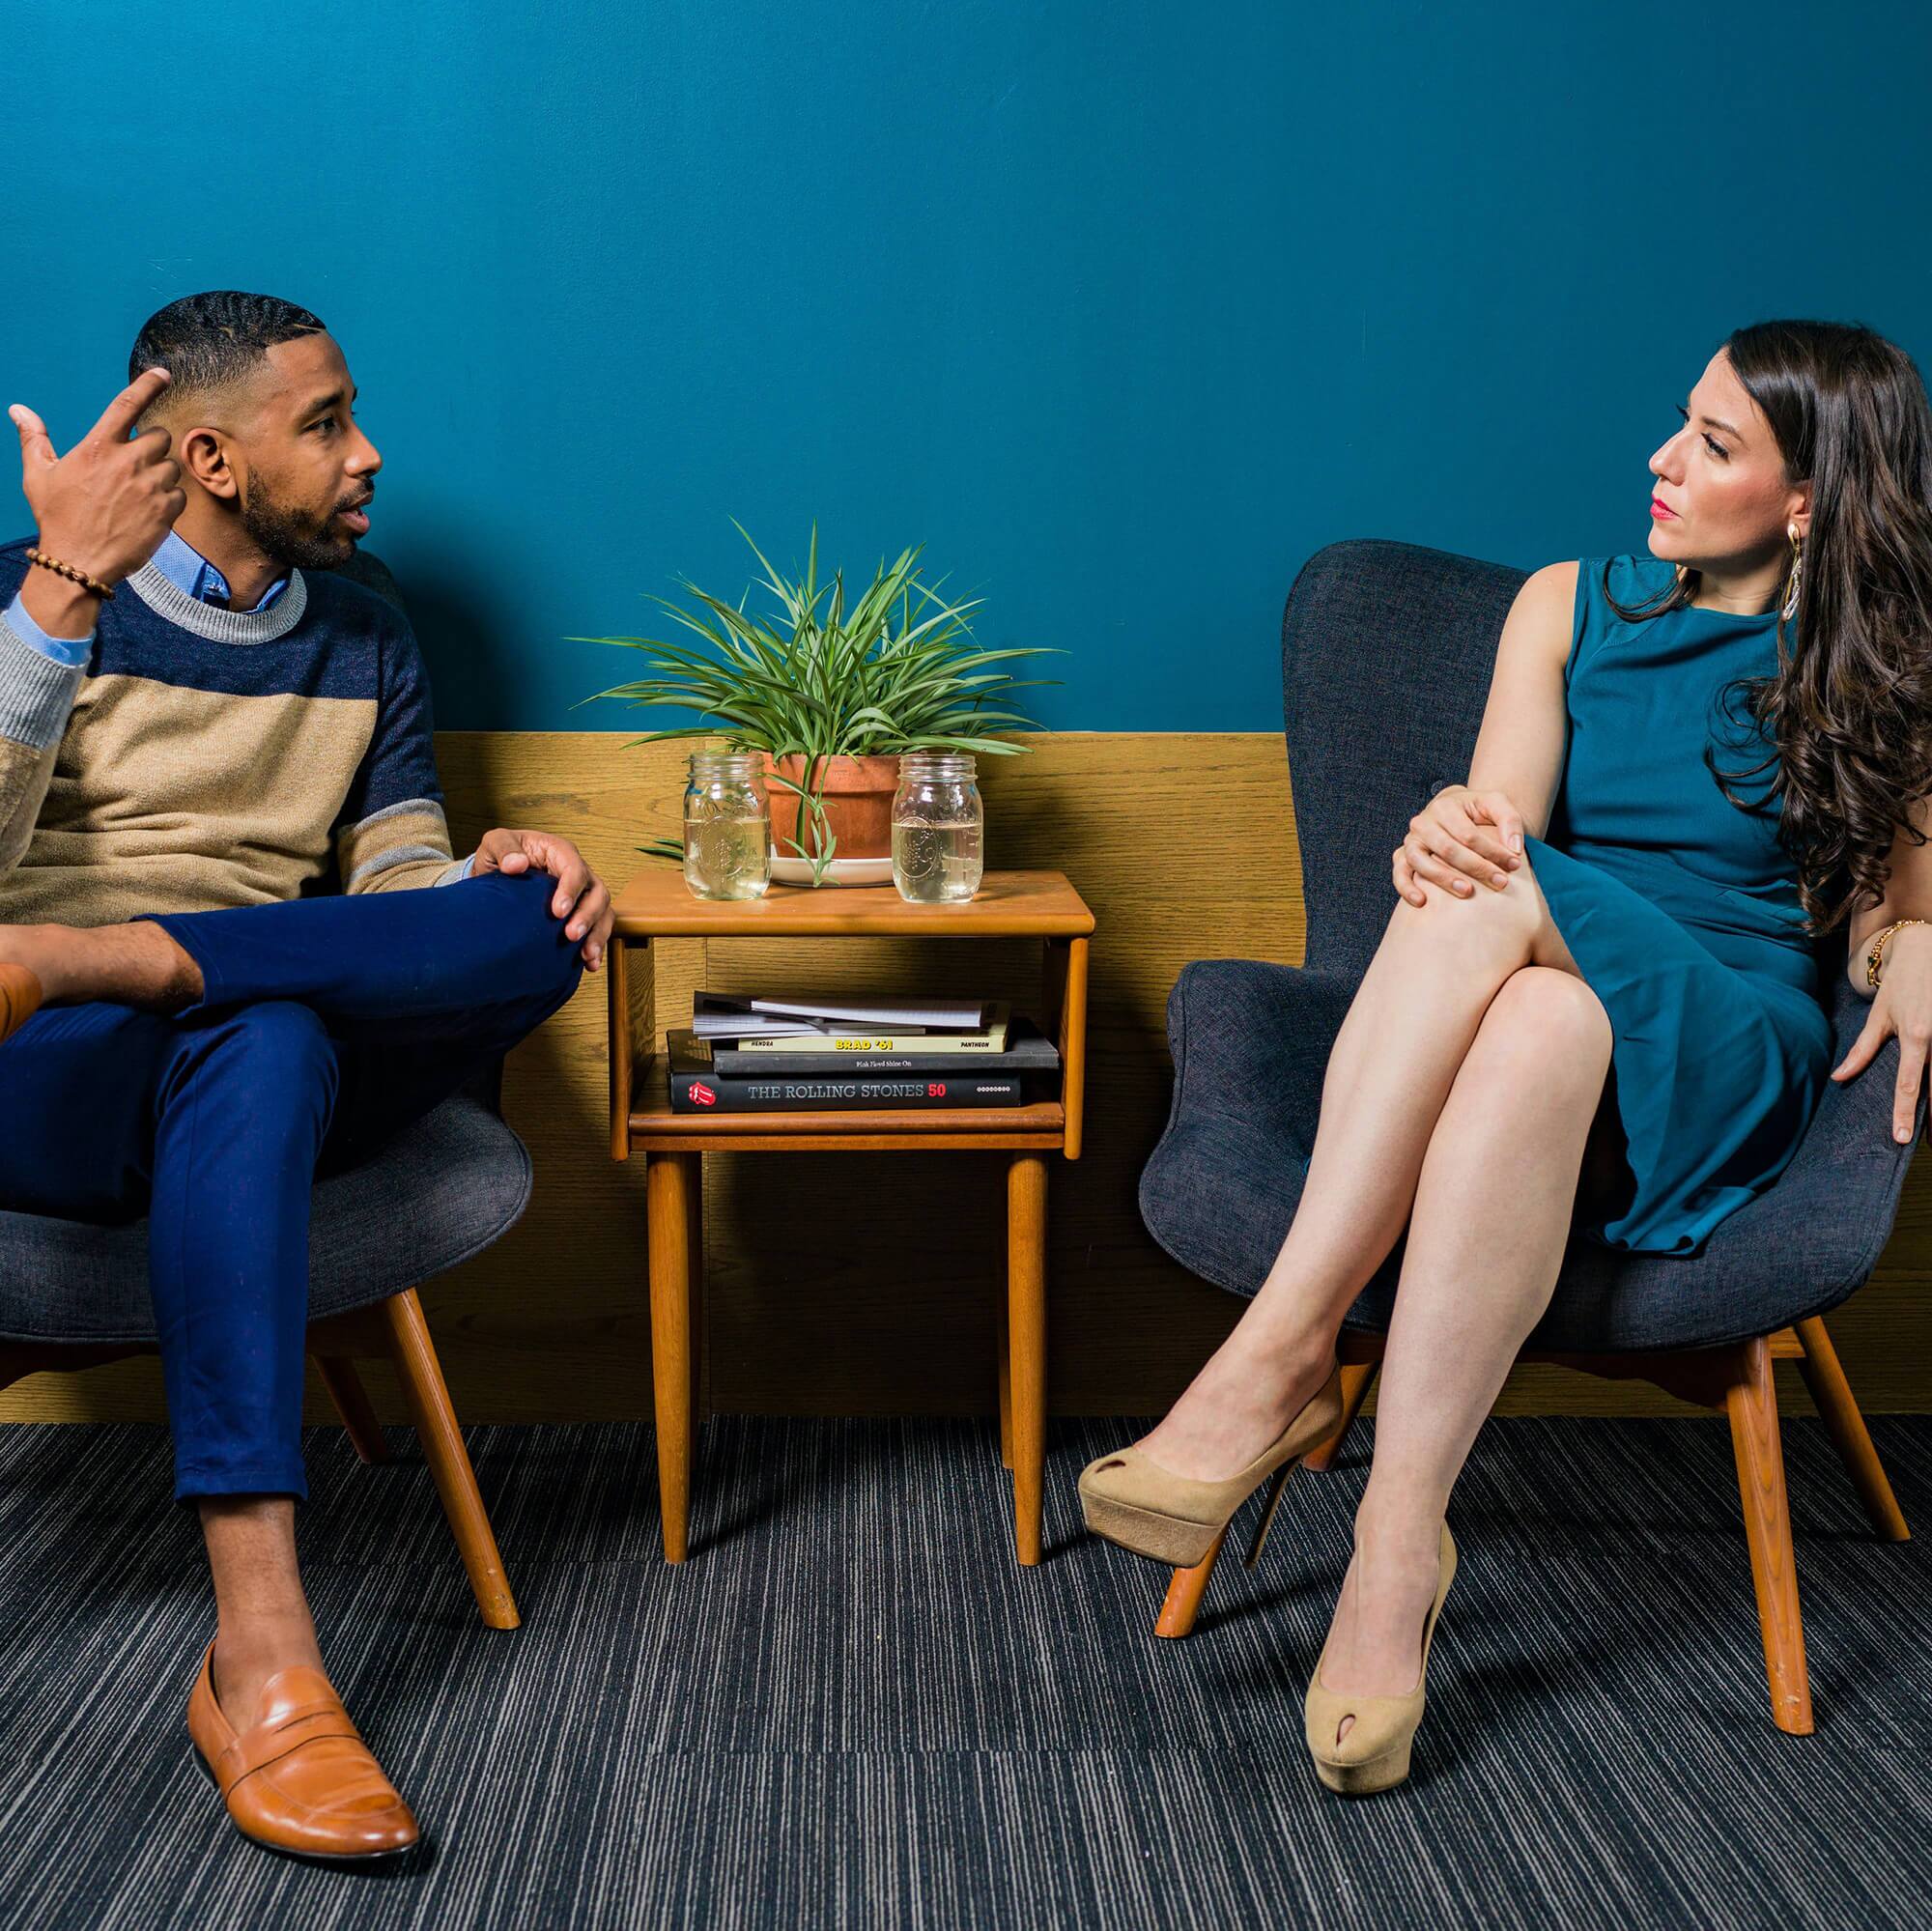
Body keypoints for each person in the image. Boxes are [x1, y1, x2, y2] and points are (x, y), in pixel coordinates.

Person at [1079, 319, 1932, 1795]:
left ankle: (1278, 1353)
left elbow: (1876, 931)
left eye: (1715, 446)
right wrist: (1444, 831)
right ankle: (1397, 1554)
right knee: (1525, 972)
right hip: (1552, 1038)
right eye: (1682, 421)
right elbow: (1495, 828)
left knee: (1509, 901)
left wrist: (1910, 940)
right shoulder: (1560, 606)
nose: (1662, 460)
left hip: (1731, 1035)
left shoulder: (1882, 674)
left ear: (1807, 502)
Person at [0, 291, 617, 1862]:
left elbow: (392, 872)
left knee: (535, 926)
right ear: (211, 455)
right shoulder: (42, 600)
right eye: (329, 424)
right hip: (50, 1067)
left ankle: (129, 954)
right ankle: (264, 1654)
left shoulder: (367, 634)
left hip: (236, 1033)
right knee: (265, 1029)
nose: (370, 454)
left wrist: (479, 875)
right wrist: (61, 596)